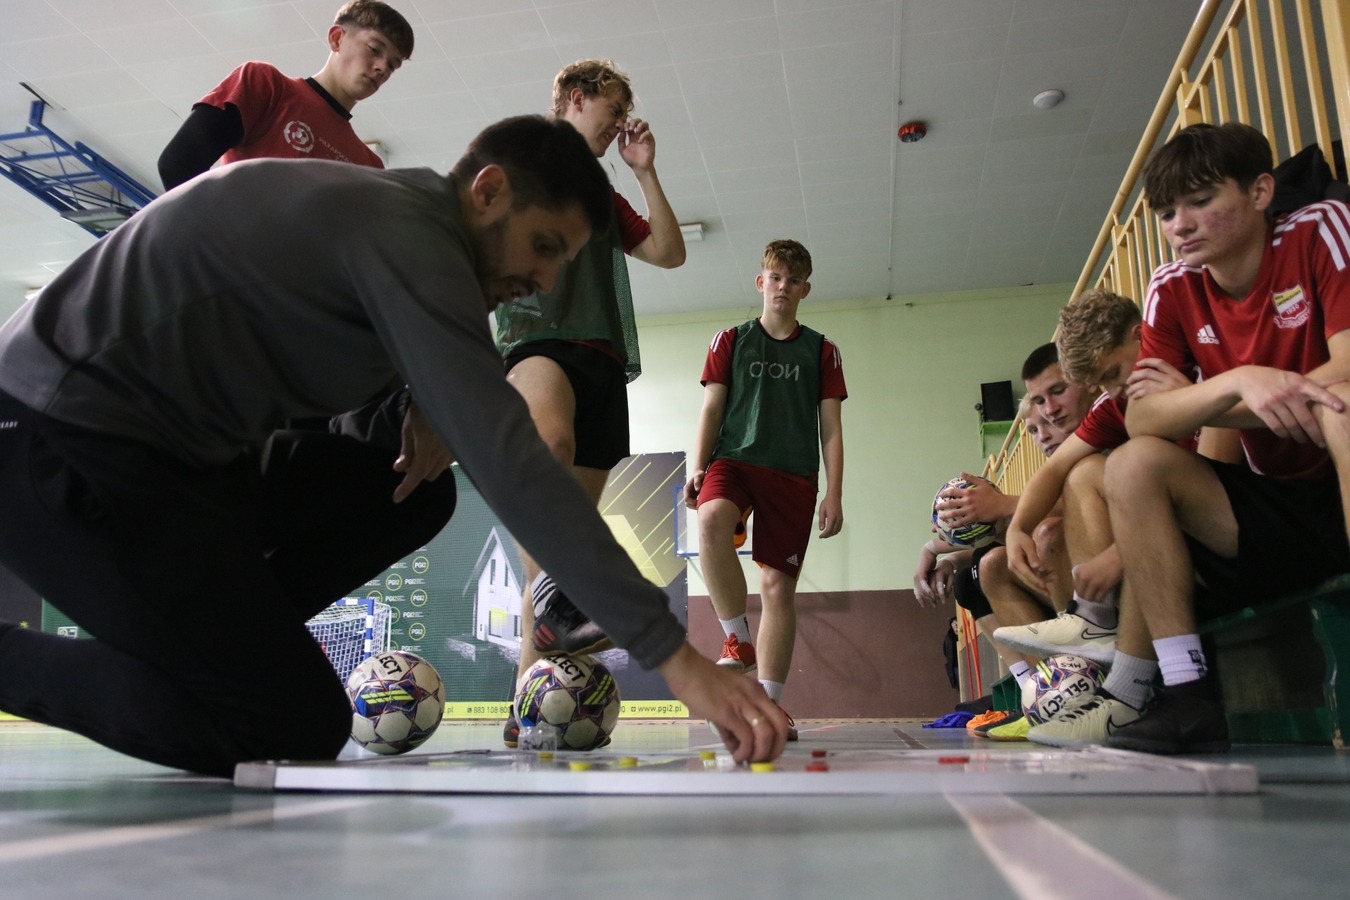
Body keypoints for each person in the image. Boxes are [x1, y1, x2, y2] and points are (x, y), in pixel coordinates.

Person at [0, 115, 787, 778]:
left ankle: (221, 642)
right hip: (59, 443)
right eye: (544, 247)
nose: (545, 282)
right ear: (488, 192)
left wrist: (417, 394)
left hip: (177, 460)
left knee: (410, 489)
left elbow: (347, 389)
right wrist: (677, 662)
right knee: (291, 723)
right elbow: (512, 459)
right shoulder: (404, 235)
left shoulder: (397, 232)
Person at [1034, 122, 1350, 754]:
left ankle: (1117, 683)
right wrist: (1241, 381)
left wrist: (1214, 401)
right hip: (1272, 505)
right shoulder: (1171, 286)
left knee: (1342, 407)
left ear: (1261, 191)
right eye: (1167, 212)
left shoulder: (1320, 230)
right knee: (1131, 466)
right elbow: (1147, 421)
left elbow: (1345, 369)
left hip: (1335, 471)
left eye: (1202, 202)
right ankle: (1185, 694)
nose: (1181, 224)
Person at [495, 60, 686, 747]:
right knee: (549, 455)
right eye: (611, 111)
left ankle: (533, 706)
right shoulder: (522, 155)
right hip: (535, 340)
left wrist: (644, 170)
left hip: (603, 363)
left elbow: (669, 251)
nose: (617, 125)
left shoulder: (604, 190)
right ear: (576, 100)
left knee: (559, 552)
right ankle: (548, 654)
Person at [682, 239, 847, 741]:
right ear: (761, 282)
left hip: (793, 473)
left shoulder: (822, 349)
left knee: (778, 588)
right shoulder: (730, 339)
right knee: (710, 520)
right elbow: (711, 409)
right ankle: (737, 638)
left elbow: (832, 428)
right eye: (775, 278)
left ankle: (770, 709)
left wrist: (834, 493)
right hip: (733, 459)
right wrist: (696, 466)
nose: (783, 287)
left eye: (793, 280)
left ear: (805, 289)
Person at [158, 0, 414, 189]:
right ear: (337, 39)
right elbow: (179, 165)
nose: (382, 68)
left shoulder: (370, 165)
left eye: (392, 65)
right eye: (374, 49)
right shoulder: (266, 85)